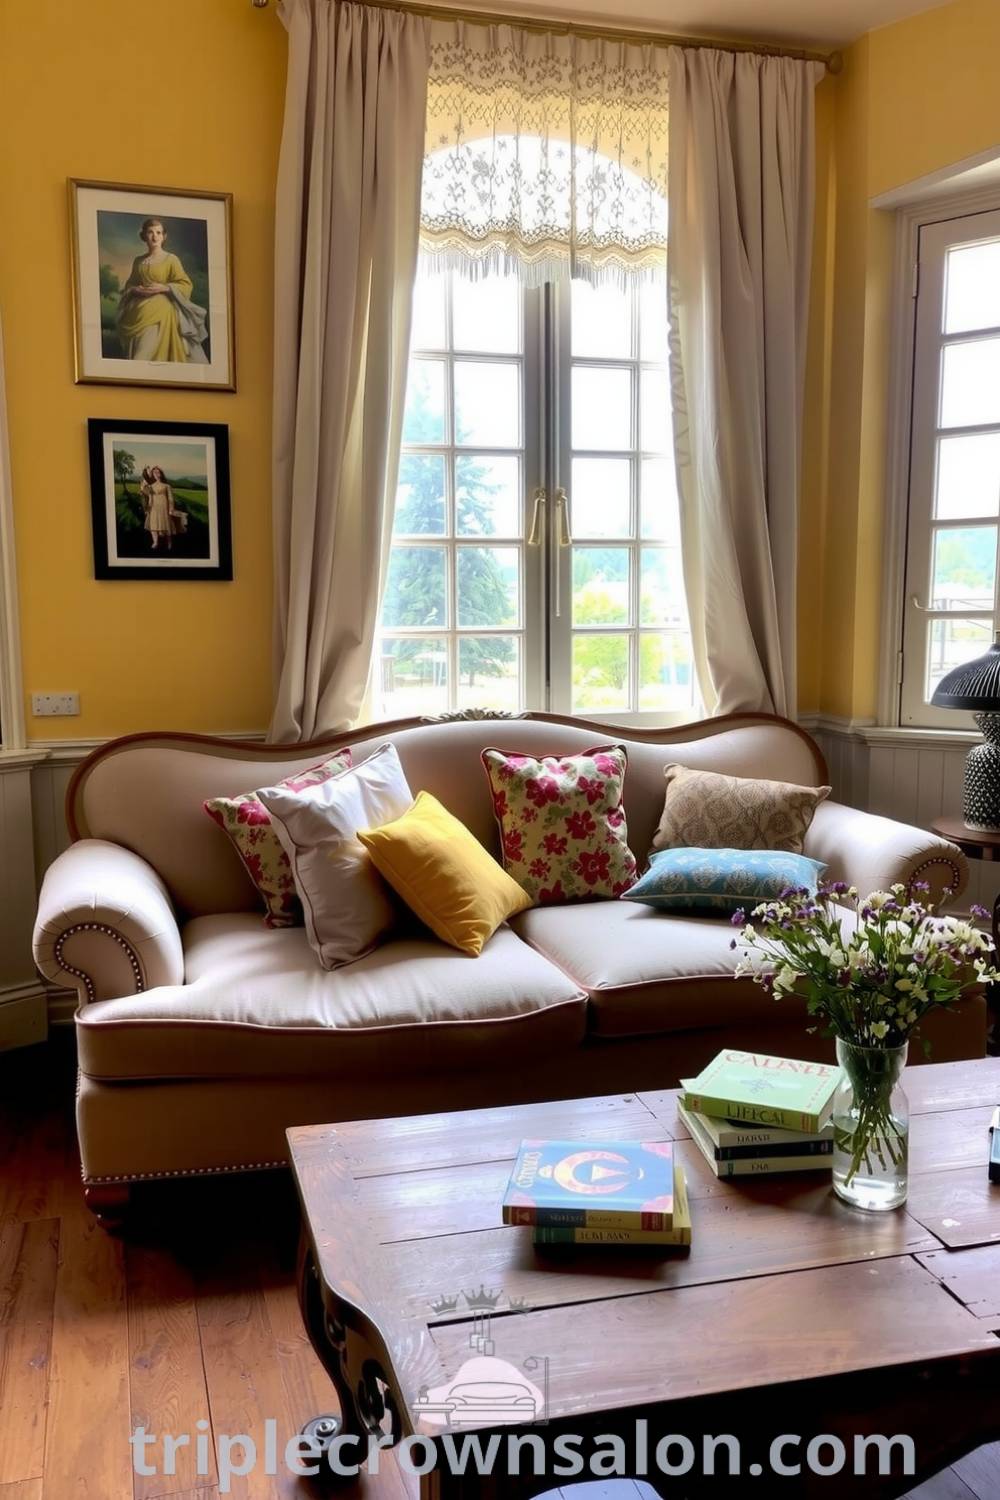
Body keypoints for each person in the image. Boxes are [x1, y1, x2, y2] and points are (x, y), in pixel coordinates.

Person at [116, 218, 209, 363]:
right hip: (139, 311)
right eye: (150, 232)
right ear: (144, 236)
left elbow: (185, 284)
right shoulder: (138, 261)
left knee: (142, 355)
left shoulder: (171, 259)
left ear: (164, 236)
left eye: (158, 233)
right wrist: (136, 289)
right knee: (138, 359)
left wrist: (165, 287)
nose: (154, 236)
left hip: (162, 311)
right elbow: (130, 285)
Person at [140, 466, 186, 552]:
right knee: (153, 525)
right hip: (153, 507)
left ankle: (169, 542)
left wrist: (171, 508)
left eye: (158, 472)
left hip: (164, 507)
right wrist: (147, 508)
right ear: (152, 475)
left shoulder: (167, 486)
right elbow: (149, 497)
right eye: (154, 472)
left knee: (166, 525)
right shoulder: (150, 486)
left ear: (161, 474)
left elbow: (171, 498)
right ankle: (155, 542)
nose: (156, 474)